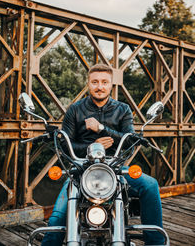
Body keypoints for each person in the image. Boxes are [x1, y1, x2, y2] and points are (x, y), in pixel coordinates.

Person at [42, 63, 165, 246]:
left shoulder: (122, 109)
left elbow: (130, 140)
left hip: (115, 169)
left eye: (104, 82)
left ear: (111, 85)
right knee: (56, 221)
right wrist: (93, 145)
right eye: (95, 82)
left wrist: (102, 129)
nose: (100, 86)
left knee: (150, 185)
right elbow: (64, 145)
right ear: (88, 84)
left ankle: (155, 243)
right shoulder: (75, 109)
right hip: (80, 170)